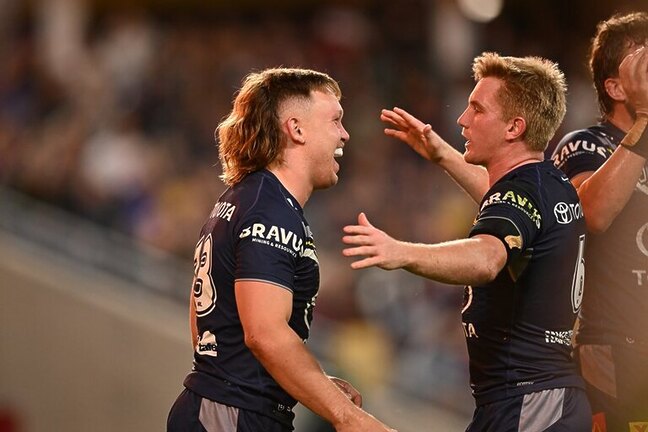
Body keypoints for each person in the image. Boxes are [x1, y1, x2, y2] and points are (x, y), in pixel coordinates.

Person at [343, 52, 592, 431]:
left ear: (514, 128)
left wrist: (401, 251)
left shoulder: (521, 193)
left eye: (477, 109)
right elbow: (503, 203)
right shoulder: (549, 183)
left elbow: (487, 258)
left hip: (527, 403)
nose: (462, 119)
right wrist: (442, 154)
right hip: (539, 397)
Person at [167, 67, 395, 432]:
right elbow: (264, 333)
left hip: (232, 407)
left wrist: (311, 384)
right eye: (335, 120)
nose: (344, 134)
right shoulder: (270, 210)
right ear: (297, 128)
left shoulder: (251, 198)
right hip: (235, 413)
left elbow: (210, 322)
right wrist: (348, 418)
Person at [550, 12, 648, 431]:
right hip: (616, 350)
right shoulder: (586, 143)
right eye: (642, 63)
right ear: (615, 86)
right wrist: (644, 119)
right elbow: (593, 214)